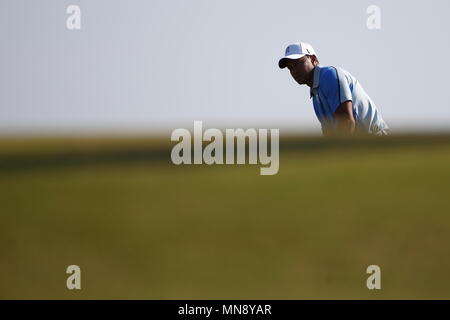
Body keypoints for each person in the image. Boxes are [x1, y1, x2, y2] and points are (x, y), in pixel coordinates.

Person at [279, 42, 389, 136]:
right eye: (290, 67)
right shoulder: (315, 93)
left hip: (376, 141)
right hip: (361, 144)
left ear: (313, 59)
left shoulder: (329, 75)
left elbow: (347, 122)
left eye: (298, 63)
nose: (294, 71)